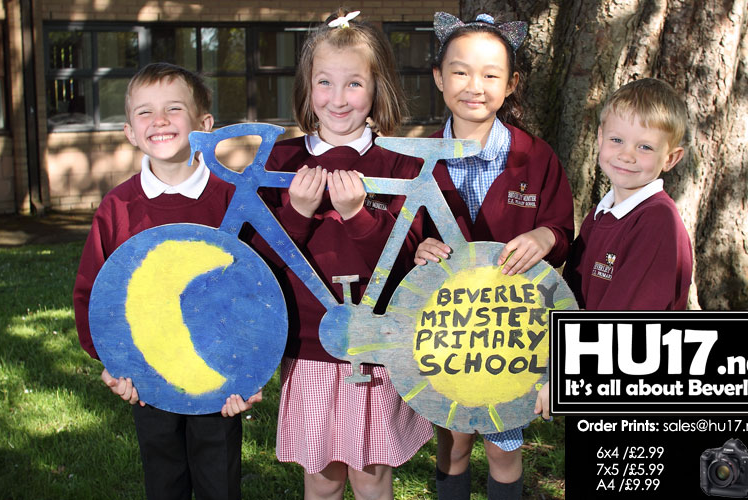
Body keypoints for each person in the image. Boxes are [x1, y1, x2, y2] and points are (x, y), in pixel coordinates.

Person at [224, 10, 433, 500]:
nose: (338, 99)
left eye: (354, 84)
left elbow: (409, 262)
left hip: (377, 344)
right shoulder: (278, 161)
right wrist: (295, 213)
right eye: (325, 82)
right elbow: (252, 265)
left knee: (372, 475)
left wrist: (360, 215)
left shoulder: (402, 164)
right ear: (306, 87)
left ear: (377, 89)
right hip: (309, 345)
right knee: (321, 478)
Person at [412, 12, 575, 500]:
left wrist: (546, 238)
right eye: (460, 71)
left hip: (510, 330)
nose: (474, 86)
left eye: (490, 74)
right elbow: (402, 239)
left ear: (511, 84)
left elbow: (563, 230)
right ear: (440, 78)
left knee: (505, 447)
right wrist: (418, 249)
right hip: (444, 326)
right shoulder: (417, 159)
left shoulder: (536, 156)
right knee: (455, 441)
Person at [72, 62, 242, 500]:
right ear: (130, 131)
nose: (160, 120)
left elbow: (255, 291)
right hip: (147, 374)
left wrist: (249, 369)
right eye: (145, 112)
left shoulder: (232, 202)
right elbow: (94, 294)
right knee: (163, 480)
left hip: (216, 373)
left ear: (205, 125)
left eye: (173, 109)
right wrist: (113, 362)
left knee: (218, 479)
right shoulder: (118, 207)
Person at [562, 78, 693, 310]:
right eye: (617, 140)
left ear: (670, 158)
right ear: (601, 138)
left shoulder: (658, 222)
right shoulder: (598, 216)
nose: (626, 155)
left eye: (645, 147)